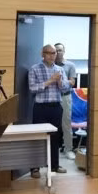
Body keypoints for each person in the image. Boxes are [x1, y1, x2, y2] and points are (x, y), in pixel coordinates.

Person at [29, 45, 71, 177]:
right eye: (49, 53)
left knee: (55, 137)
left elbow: (64, 89)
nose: (52, 55)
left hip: (56, 107)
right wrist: (50, 81)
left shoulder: (60, 70)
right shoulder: (34, 69)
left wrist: (59, 82)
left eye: (53, 53)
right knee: (38, 137)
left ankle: (54, 165)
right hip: (41, 107)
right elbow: (32, 88)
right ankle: (35, 168)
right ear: (42, 54)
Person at [54, 43, 77, 160]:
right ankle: (53, 150)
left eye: (60, 50)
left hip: (65, 97)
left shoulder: (70, 65)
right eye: (56, 51)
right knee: (52, 125)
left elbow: (72, 82)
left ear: (64, 51)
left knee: (66, 125)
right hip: (52, 97)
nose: (58, 53)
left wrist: (60, 80)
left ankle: (68, 149)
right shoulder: (49, 65)